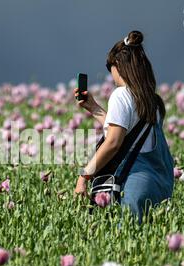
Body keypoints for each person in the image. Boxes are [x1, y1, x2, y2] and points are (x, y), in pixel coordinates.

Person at [73, 30, 174, 224]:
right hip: (160, 187)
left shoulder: (121, 95)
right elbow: (127, 135)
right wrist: (94, 108)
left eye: (111, 71)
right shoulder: (152, 101)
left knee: (127, 246)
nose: (112, 78)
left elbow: (113, 142)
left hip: (135, 186)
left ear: (118, 65)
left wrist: (84, 176)